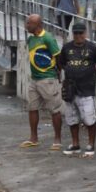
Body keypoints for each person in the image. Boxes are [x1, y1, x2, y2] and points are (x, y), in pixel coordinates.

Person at [58, 22, 96, 156]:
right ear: (73, 34)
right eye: (76, 33)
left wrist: (91, 74)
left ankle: (91, 144)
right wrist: (67, 73)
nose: (78, 36)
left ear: (85, 33)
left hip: (87, 89)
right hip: (70, 89)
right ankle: (75, 144)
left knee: (89, 118)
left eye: (80, 33)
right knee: (71, 118)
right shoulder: (66, 48)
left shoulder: (93, 48)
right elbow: (61, 63)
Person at [21, 14, 64, 150]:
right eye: (27, 23)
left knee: (54, 109)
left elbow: (58, 58)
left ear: (38, 25)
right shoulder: (31, 39)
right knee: (32, 108)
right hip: (35, 79)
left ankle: (57, 139)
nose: (26, 25)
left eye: (29, 23)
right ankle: (33, 138)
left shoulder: (48, 38)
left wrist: (58, 74)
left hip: (47, 79)